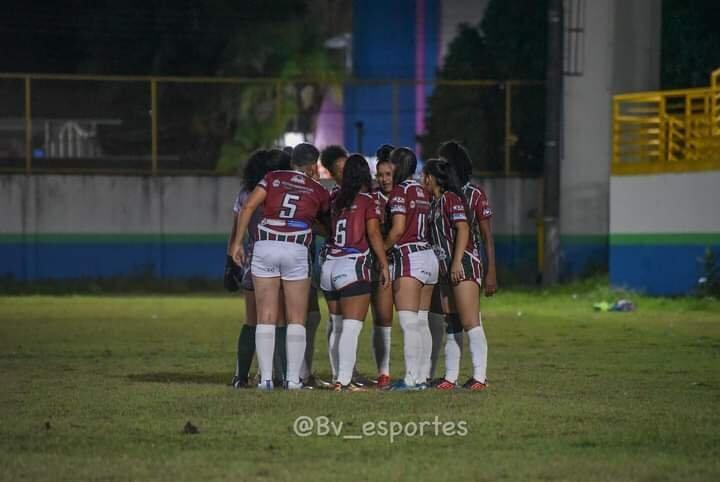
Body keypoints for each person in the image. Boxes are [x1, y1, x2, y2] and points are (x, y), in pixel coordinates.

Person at [231, 143, 330, 390]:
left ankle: (265, 379)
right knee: (296, 317)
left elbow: (249, 206)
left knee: (265, 315)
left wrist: (236, 244)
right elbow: (327, 224)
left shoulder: (272, 178)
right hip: (296, 248)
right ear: (313, 166)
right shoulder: (317, 189)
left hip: (266, 245)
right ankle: (293, 379)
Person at [320, 154, 390, 391]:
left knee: (337, 326)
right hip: (352, 264)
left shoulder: (334, 199)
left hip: (329, 264)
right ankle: (344, 380)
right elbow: (373, 234)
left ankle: (337, 376)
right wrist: (383, 263)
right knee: (351, 327)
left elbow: (323, 225)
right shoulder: (367, 200)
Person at [225, 149, 291, 388]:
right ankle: (282, 376)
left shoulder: (245, 194)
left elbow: (236, 231)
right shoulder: (283, 192)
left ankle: (240, 376)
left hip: (253, 259)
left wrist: (230, 257)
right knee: (281, 320)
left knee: (253, 320)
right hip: (283, 258)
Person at [436, 141, 497, 390]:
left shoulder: (474, 194)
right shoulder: (442, 197)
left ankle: (479, 377)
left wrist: (491, 270)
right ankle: (450, 377)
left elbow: (486, 236)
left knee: (471, 321)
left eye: (442, 162)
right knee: (451, 322)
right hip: (446, 266)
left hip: (467, 265)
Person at [383, 147, 438, 390]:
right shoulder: (422, 190)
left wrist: (381, 251)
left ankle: (410, 378)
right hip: (428, 256)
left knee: (408, 323)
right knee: (422, 322)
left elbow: (397, 229)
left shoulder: (399, 192)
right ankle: (423, 377)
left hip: (409, 257)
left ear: (397, 167)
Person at [318, 145, 348, 384]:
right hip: (336, 259)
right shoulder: (333, 197)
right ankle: (339, 373)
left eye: (346, 166)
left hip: (352, 260)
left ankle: (345, 371)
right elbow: (323, 226)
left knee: (348, 321)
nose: (344, 172)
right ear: (330, 173)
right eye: (338, 170)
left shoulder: (362, 191)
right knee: (338, 320)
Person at [370, 144, 395, 388]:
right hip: (382, 262)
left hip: (407, 260)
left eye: (388, 174)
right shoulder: (372, 197)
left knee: (415, 319)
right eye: (380, 175)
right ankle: (383, 372)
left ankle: (420, 371)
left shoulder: (409, 192)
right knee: (383, 318)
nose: (384, 179)